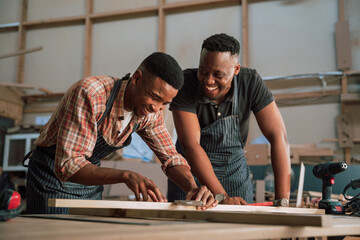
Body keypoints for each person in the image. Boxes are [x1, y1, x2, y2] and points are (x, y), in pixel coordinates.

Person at [25, 52, 215, 214]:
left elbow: (171, 157)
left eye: (164, 104)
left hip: (88, 184)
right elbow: (69, 164)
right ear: (137, 78)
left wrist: (193, 188)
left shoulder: (151, 112)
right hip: (51, 178)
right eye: (155, 98)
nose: (157, 109)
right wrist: (125, 175)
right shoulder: (90, 94)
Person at [167, 33, 291, 205]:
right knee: (186, 229)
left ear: (236, 69)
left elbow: (278, 137)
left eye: (218, 74)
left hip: (235, 174)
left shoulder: (251, 83)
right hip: (191, 177)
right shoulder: (186, 83)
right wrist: (221, 197)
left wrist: (282, 201)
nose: (209, 81)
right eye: (203, 71)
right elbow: (191, 145)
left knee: (241, 230)